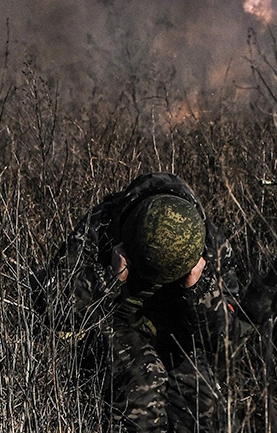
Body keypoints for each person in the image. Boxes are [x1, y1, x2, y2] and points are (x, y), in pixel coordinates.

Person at [32, 172, 252, 433]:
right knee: (144, 384)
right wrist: (109, 277)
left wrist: (198, 289)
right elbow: (53, 304)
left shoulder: (205, 242)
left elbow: (225, 338)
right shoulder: (103, 225)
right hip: (114, 325)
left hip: (175, 335)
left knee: (208, 414)